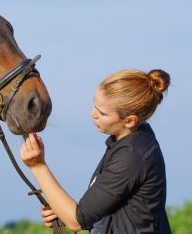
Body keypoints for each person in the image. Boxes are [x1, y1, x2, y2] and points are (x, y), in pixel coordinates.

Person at [20, 69, 172, 233]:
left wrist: (37, 166)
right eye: (95, 105)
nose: (93, 114)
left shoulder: (132, 155)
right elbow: (107, 210)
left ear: (130, 120)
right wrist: (61, 209)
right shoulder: (129, 141)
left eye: (102, 113)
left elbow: (77, 221)